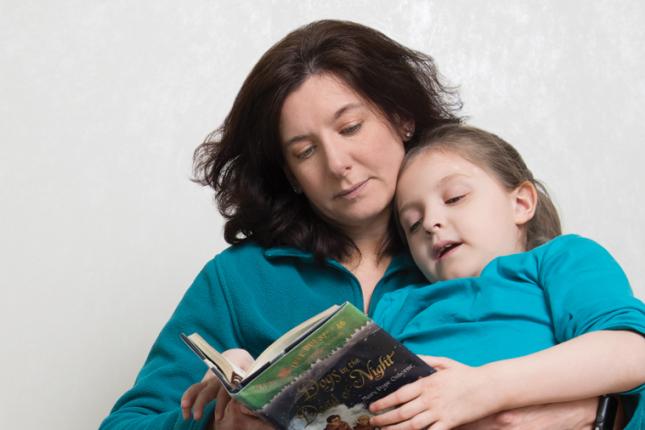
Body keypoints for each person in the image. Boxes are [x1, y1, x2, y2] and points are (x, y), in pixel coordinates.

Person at [100, 20, 634, 430]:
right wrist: (221, 421)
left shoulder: (476, 255)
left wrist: (597, 413)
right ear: (290, 175)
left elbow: (621, 352)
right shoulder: (238, 281)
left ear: (401, 116)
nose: (338, 163)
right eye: (306, 151)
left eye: (351, 126)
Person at [368, 124, 645, 429]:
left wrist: (483, 388)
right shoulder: (397, 304)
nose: (431, 223)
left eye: (455, 198)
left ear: (521, 203)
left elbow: (632, 352)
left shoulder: (559, 259)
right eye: (413, 224)